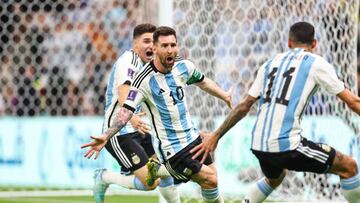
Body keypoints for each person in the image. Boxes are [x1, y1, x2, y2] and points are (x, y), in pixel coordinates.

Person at [191, 21, 360, 203]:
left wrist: (216, 136)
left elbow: (244, 106)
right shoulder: (317, 63)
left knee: (275, 178)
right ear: (314, 44)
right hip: (287, 145)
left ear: (289, 43)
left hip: (259, 144)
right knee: (348, 166)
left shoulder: (269, 64)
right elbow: (353, 101)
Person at [81, 26, 234, 203]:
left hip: (178, 135)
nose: (170, 50)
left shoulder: (183, 66)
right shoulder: (138, 74)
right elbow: (126, 105)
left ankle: (160, 169)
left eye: (173, 45)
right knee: (201, 179)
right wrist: (107, 135)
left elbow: (203, 81)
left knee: (209, 178)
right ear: (155, 48)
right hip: (159, 143)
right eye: (164, 46)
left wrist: (224, 95)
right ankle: (105, 177)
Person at [90, 23, 180, 203]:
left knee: (167, 168)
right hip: (119, 132)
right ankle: (104, 177)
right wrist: (134, 117)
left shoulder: (151, 67)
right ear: (135, 44)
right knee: (150, 182)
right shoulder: (128, 61)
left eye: (152, 42)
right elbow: (124, 95)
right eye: (145, 41)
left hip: (140, 129)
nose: (150, 46)